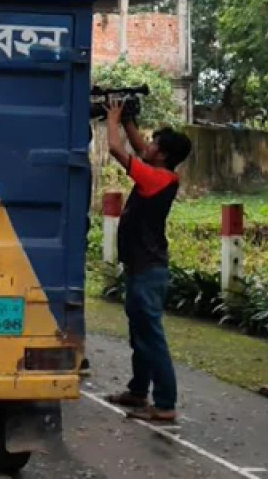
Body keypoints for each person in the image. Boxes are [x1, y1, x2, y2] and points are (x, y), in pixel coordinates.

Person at [100, 99, 193, 424]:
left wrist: (112, 120)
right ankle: (138, 391)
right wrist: (127, 121)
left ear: (163, 154)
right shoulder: (161, 174)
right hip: (142, 267)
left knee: (150, 336)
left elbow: (115, 149)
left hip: (148, 270)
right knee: (140, 333)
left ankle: (165, 403)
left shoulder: (158, 179)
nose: (147, 145)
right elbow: (141, 150)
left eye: (154, 143)